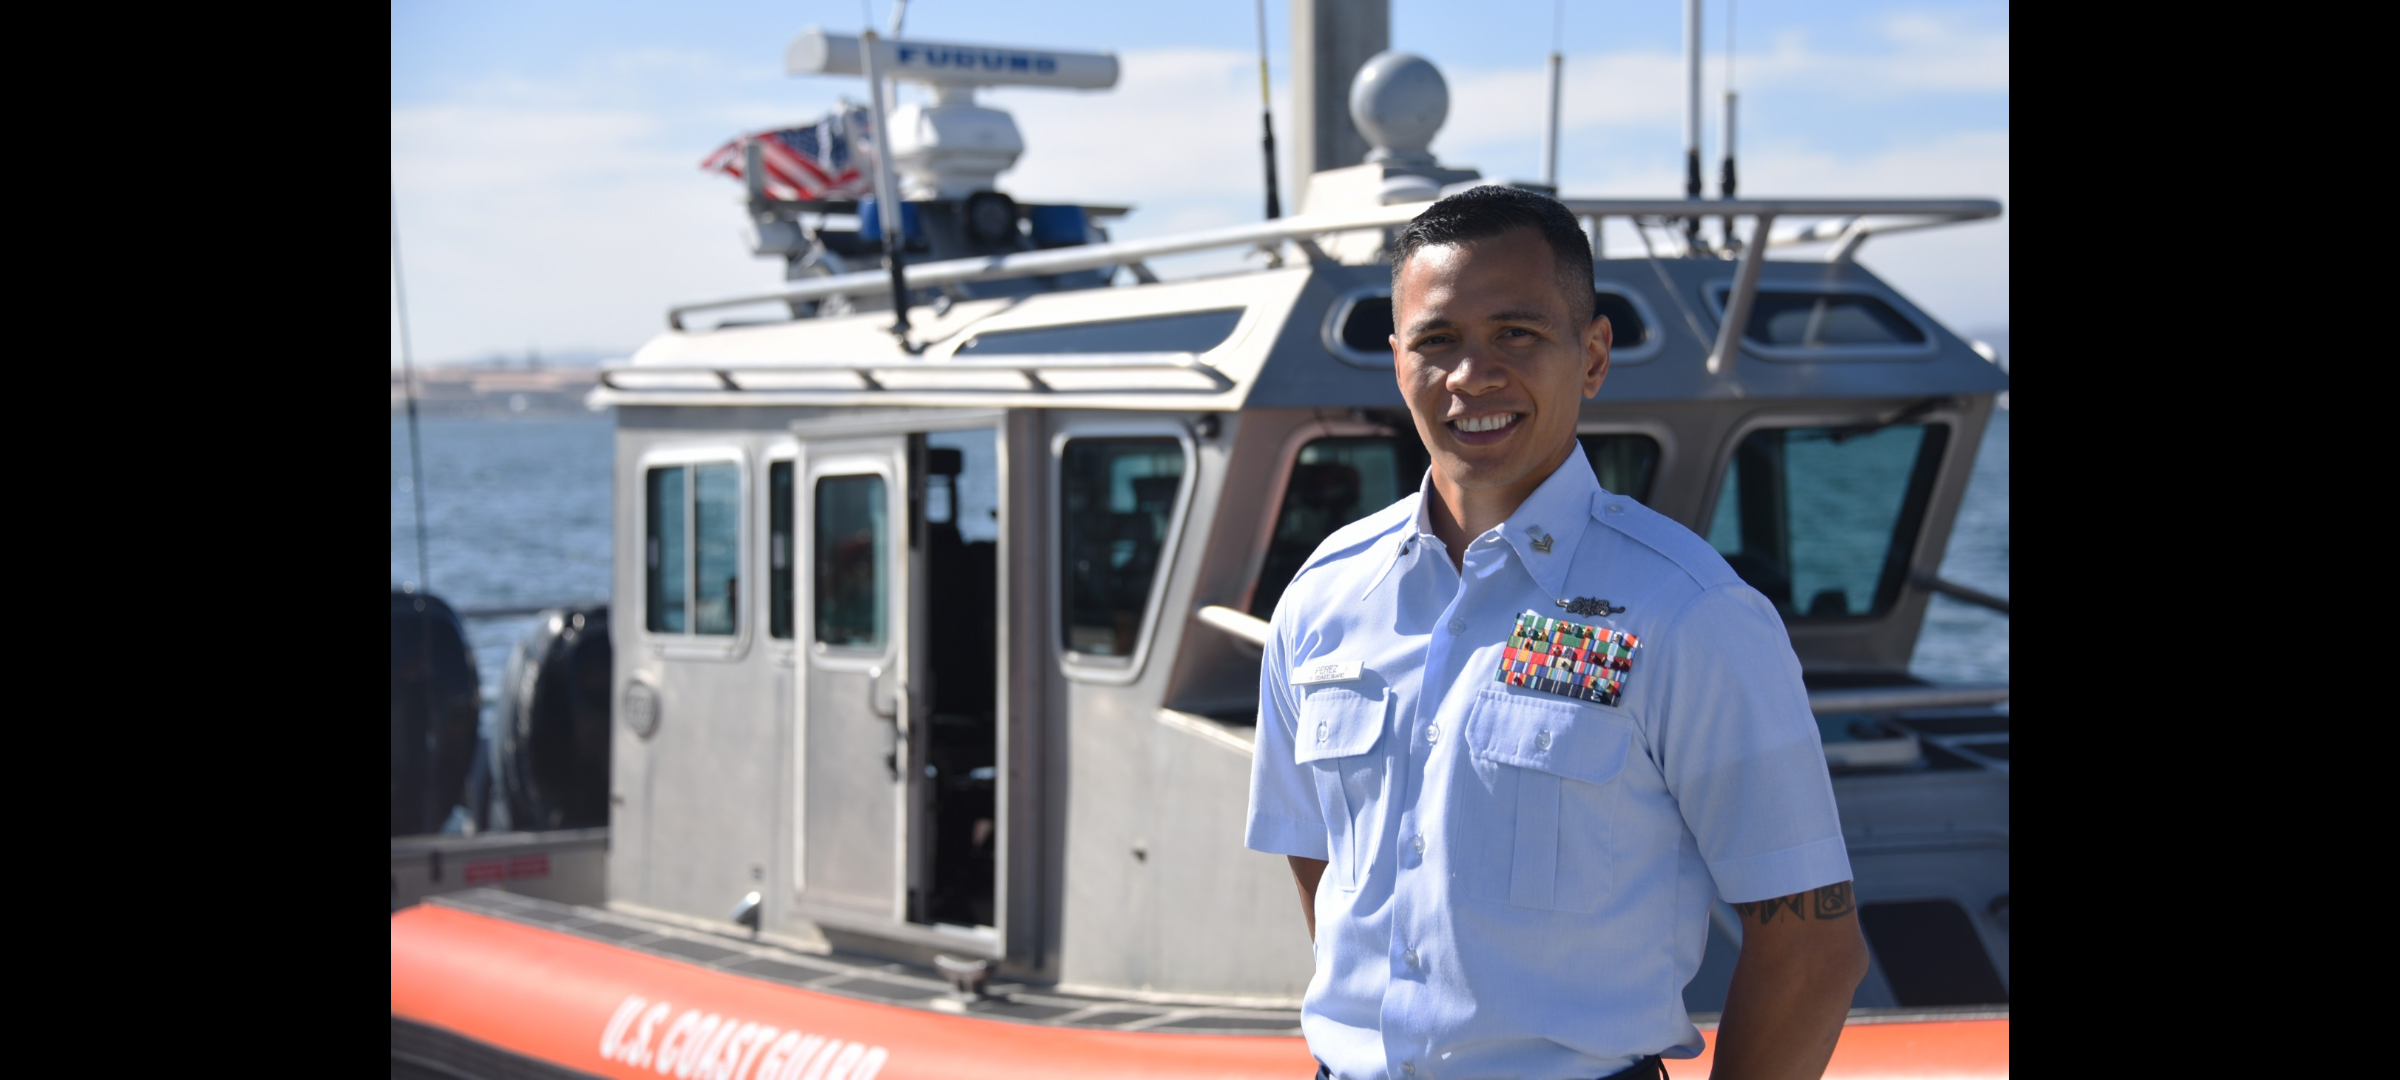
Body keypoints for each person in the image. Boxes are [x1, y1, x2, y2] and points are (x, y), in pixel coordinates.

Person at [1244, 186, 1868, 1080]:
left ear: (1594, 354)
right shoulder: (1322, 598)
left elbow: (1813, 946)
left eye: (1517, 334)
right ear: (1396, 362)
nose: (1472, 376)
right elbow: (1320, 857)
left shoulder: (1689, 611)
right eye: (1437, 341)